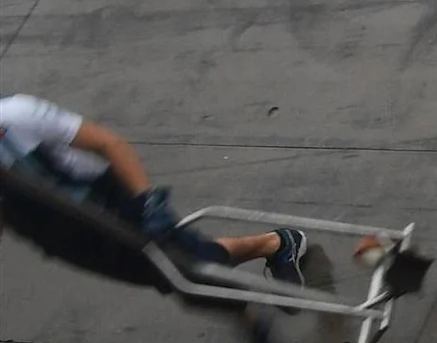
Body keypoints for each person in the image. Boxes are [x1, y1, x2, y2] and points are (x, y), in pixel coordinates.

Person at [0, 93, 306, 283]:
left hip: (106, 198)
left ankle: (277, 244)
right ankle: (247, 313)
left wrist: (146, 202)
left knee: (190, 265)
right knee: (174, 278)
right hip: (62, 228)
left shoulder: (17, 113)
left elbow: (109, 143)